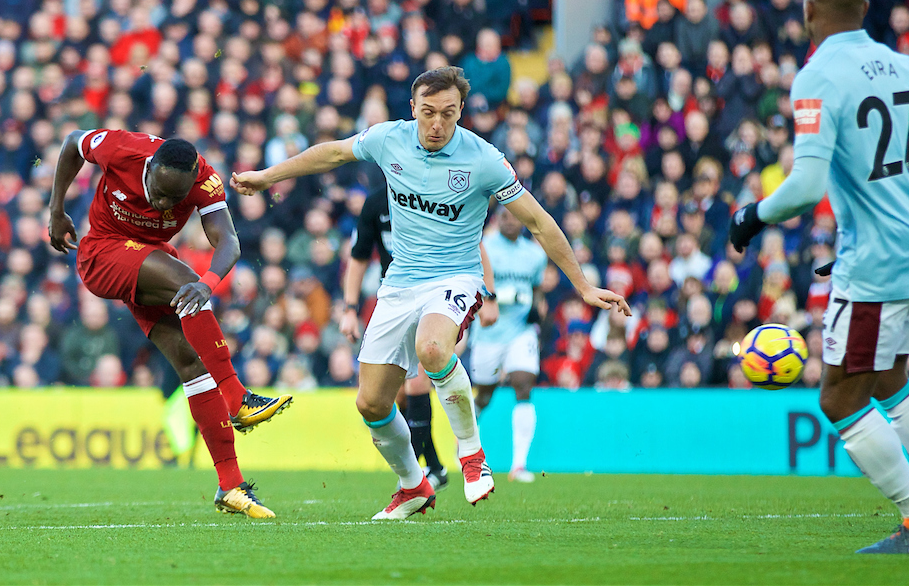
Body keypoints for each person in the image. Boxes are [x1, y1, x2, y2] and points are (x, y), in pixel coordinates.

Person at [231, 66, 631, 520]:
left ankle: (472, 454)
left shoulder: (484, 160)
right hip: (399, 282)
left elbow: (539, 221)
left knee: (432, 349)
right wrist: (267, 177)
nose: (437, 124)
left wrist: (581, 285)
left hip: (456, 277)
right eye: (428, 113)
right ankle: (412, 487)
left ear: (461, 111)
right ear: (413, 110)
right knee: (372, 403)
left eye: (448, 113)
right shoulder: (389, 139)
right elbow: (331, 154)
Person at [728, 0, 909, 554]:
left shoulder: (818, 77)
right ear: (865, 9)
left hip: (875, 258)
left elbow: (807, 186)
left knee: (839, 395)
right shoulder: (902, 66)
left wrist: (751, 216)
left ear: (808, 9)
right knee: (890, 380)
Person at [48, 130, 293, 518]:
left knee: (193, 363)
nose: (162, 203)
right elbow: (70, 143)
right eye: (158, 192)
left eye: (173, 200)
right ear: (149, 167)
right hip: (102, 251)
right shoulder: (121, 149)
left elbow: (228, 240)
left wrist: (208, 284)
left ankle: (230, 485)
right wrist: (56, 210)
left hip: (148, 258)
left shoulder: (203, 180)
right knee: (182, 277)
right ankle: (237, 397)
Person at [340, 185, 500, 491]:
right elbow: (359, 256)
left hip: (439, 298)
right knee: (390, 398)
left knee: (418, 380)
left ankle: (451, 461)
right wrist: (349, 308)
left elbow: (474, 245)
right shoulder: (375, 204)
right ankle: (435, 467)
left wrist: (489, 296)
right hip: (397, 300)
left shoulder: (431, 196)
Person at [469, 206, 548, 482]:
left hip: (521, 330)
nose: (512, 221)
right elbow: (474, 286)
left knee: (524, 383)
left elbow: (536, 289)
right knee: (485, 394)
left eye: (517, 216)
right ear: (497, 219)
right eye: (506, 216)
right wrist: (501, 297)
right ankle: (465, 443)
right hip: (488, 332)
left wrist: (537, 307)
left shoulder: (535, 255)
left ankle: (519, 465)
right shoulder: (484, 248)